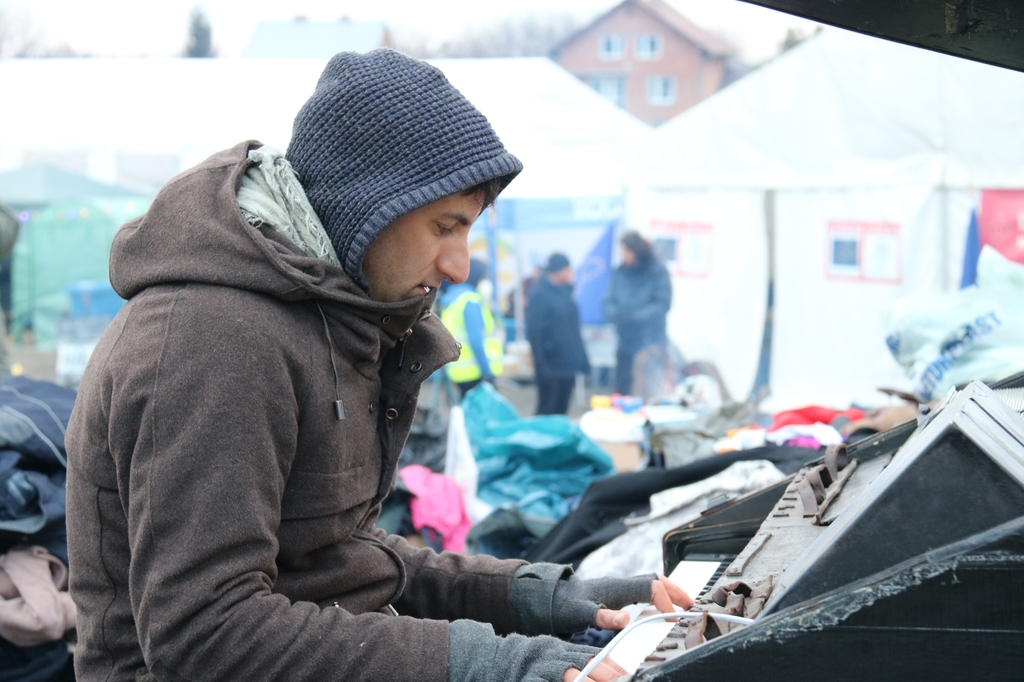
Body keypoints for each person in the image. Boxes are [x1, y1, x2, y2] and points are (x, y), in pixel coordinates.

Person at [64, 49, 692, 682]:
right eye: (445, 226)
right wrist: (491, 663)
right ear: (368, 208)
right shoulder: (214, 341)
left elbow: (340, 555)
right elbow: (205, 634)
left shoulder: (318, 317)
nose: (460, 265)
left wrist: (544, 598)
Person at [603, 231, 672, 396]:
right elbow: (607, 301)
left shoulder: (656, 272)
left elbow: (662, 304)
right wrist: (616, 314)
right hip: (625, 343)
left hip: (650, 344)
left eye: (627, 251)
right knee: (623, 389)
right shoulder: (619, 273)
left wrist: (636, 316)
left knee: (648, 390)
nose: (624, 256)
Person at [526, 253, 590, 415]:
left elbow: (574, 330)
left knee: (562, 409)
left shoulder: (566, 293)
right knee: (547, 408)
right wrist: (541, 365)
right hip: (550, 364)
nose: (571, 273)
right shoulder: (540, 295)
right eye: (568, 269)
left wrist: (584, 362)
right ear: (558, 271)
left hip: (568, 364)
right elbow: (534, 333)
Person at [440, 257, 504, 397]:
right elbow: (476, 340)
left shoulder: (453, 299)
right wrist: (487, 373)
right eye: (484, 277)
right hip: (476, 372)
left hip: (459, 371)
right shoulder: (471, 300)